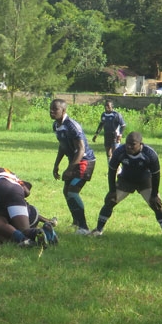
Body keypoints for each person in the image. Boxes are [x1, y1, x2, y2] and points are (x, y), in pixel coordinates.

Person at [90, 132, 162, 239]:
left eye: (133, 144)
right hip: (126, 180)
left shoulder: (150, 154)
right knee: (110, 201)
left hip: (145, 180)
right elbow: (112, 171)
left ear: (140, 144)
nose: (129, 147)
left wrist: (154, 195)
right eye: (127, 143)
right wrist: (112, 191)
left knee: (157, 205)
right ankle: (98, 230)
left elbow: (156, 175)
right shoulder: (119, 152)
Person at [50, 98, 96, 234]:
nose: (52, 112)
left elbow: (81, 149)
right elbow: (62, 146)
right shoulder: (56, 125)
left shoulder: (72, 126)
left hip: (85, 162)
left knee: (72, 191)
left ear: (63, 110)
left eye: (55, 109)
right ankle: (76, 222)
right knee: (66, 191)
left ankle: (84, 227)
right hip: (74, 161)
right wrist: (56, 164)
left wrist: (70, 169)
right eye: (50, 109)